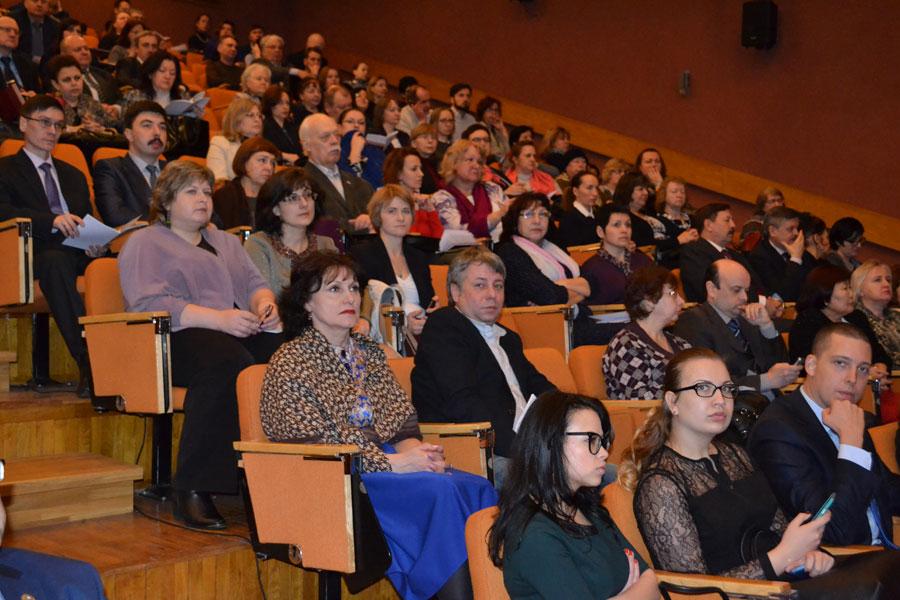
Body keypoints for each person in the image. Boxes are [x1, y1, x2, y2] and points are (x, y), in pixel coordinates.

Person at [259, 251, 497, 600]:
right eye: (334, 289)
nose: (350, 298)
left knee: (476, 488)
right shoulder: (289, 360)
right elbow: (313, 446)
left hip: (385, 463)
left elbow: (400, 423)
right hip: (335, 477)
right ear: (306, 302)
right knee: (441, 493)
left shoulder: (368, 351)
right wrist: (397, 464)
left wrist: (420, 457)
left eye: (354, 288)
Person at [625, 348, 877, 597]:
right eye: (704, 388)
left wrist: (808, 555)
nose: (720, 400)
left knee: (879, 577)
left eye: (727, 389)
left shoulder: (736, 455)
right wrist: (781, 557)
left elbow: (778, 531)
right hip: (754, 593)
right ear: (672, 402)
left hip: (784, 585)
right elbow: (694, 591)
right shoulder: (661, 484)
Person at [118, 160, 283, 529]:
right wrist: (219, 319)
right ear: (166, 200)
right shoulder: (144, 242)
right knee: (226, 363)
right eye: (191, 191)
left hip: (227, 332)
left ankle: (274, 477)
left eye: (207, 192)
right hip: (167, 338)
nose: (203, 198)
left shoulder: (226, 242)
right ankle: (193, 487)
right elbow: (147, 304)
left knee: (286, 355)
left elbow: (255, 284)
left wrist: (264, 306)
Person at [489, 391, 659, 599]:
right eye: (591, 440)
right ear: (551, 442)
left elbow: (650, 581)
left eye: (602, 441)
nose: (604, 453)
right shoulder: (533, 535)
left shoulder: (588, 509)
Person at [412, 246, 555, 488]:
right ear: (456, 292)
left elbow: (540, 386)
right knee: (554, 479)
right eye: (480, 285)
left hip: (525, 447)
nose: (492, 295)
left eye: (498, 286)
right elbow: (463, 403)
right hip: (476, 452)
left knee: (608, 474)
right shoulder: (444, 327)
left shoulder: (508, 338)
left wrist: (571, 416)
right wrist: (526, 451)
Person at [749, 323, 900, 547]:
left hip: (881, 554)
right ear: (811, 365)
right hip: (839, 560)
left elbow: (886, 490)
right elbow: (833, 531)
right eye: (841, 363)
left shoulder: (848, 415)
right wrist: (851, 445)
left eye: (862, 369)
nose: (852, 378)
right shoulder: (778, 430)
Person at [0, 95, 101, 395]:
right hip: (29, 250)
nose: (52, 131)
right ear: (23, 124)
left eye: (58, 125)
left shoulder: (73, 175)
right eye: (45, 122)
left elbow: (85, 219)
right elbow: (2, 211)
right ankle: (90, 362)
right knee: (54, 262)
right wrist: (51, 221)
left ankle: (134, 356)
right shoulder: (5, 169)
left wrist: (96, 244)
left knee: (118, 262)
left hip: (76, 251)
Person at [495, 193, 614, 347]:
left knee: (633, 328)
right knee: (628, 331)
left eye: (543, 214)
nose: (537, 221)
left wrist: (558, 287)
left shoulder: (552, 248)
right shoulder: (510, 252)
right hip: (545, 330)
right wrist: (579, 291)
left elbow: (593, 284)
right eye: (528, 214)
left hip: (575, 320)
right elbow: (551, 297)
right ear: (515, 220)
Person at [673, 259, 799, 396]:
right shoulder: (693, 322)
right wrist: (766, 381)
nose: (744, 297)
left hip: (770, 400)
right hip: (733, 404)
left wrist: (766, 326)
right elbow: (708, 383)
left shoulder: (748, 318)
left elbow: (780, 366)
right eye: (736, 290)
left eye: (746, 290)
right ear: (712, 289)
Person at [349, 185, 436, 338]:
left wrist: (433, 309)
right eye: (392, 211)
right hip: (387, 336)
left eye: (406, 211)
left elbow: (429, 301)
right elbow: (366, 305)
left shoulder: (419, 257)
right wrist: (405, 324)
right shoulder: (363, 255)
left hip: (424, 334)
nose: (401, 218)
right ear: (378, 216)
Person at [603, 266, 691, 399]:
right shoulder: (627, 344)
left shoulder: (681, 344)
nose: (682, 301)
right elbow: (639, 399)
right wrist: (689, 396)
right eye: (673, 294)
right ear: (648, 302)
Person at [245, 167, 336, 294]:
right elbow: (260, 295)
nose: (304, 204)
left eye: (308, 195)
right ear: (276, 209)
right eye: (293, 198)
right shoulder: (259, 244)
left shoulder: (326, 245)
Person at [94, 100, 167, 226]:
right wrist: (169, 226)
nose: (157, 132)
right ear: (129, 134)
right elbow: (115, 216)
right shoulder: (110, 169)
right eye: (147, 125)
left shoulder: (176, 171)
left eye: (162, 127)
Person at [300, 113, 374, 233]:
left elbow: (378, 219)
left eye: (337, 135)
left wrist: (371, 220)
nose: (334, 141)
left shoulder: (361, 185)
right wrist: (355, 226)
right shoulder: (301, 184)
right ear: (307, 145)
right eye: (325, 137)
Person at [678, 202, 765, 303]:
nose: (733, 225)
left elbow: (757, 284)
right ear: (709, 225)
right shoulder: (694, 252)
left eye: (732, 220)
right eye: (727, 220)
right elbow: (711, 292)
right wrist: (762, 301)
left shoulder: (735, 254)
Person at [431, 139, 510, 242]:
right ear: (454, 163)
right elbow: (458, 233)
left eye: (479, 162)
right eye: (470, 160)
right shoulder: (442, 198)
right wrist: (498, 215)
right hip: (468, 251)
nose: (476, 166)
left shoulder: (492, 189)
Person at [581, 204, 652, 305]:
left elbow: (665, 289)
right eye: (616, 225)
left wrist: (672, 295)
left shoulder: (643, 260)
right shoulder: (592, 268)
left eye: (628, 225)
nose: (624, 230)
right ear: (600, 232)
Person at [788, 265, 856, 363]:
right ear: (825, 296)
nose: (851, 294)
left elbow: (875, 354)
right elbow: (809, 363)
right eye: (845, 288)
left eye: (850, 287)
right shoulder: (808, 323)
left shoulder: (857, 317)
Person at [748, 206, 816, 301]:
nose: (796, 233)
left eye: (797, 228)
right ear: (773, 231)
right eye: (790, 229)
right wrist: (795, 259)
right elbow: (781, 295)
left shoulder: (801, 252)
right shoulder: (759, 257)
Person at [212, 136, 279, 230]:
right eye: (262, 160)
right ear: (244, 162)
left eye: (272, 162)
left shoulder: (275, 197)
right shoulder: (224, 196)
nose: (269, 167)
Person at [846, 260, 900, 370]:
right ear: (860, 289)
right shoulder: (853, 320)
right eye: (877, 280)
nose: (886, 284)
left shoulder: (896, 315)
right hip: (879, 377)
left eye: (888, 280)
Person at [46, 54, 118, 133]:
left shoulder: (90, 102)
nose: (74, 83)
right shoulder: (50, 105)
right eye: (67, 80)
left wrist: (100, 129)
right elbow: (46, 129)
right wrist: (78, 129)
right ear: (55, 84)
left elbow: (115, 127)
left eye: (77, 78)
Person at [383, 147, 443, 239]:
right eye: (414, 169)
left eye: (420, 168)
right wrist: (414, 209)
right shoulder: (389, 203)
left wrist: (431, 210)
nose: (421, 174)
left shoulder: (422, 202)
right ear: (398, 174)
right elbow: (410, 239)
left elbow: (439, 239)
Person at [206, 97, 263, 181]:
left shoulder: (263, 148)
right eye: (251, 115)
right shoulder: (220, 143)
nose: (257, 119)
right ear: (236, 118)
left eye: (259, 116)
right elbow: (219, 181)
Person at [121, 49, 192, 114]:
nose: (168, 76)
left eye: (172, 73)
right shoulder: (135, 97)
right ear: (150, 74)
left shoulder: (183, 97)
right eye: (162, 71)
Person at [59, 33, 120, 106]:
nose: (84, 52)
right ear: (64, 55)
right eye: (78, 50)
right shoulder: (62, 79)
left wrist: (116, 108)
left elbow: (119, 98)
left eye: (86, 49)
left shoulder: (105, 75)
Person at [653, 176, 697, 269]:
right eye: (674, 191)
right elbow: (658, 246)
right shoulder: (657, 221)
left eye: (682, 192)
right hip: (670, 267)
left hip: (694, 264)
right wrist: (679, 240)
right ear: (664, 195)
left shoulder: (692, 219)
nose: (679, 195)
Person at [338, 106, 384, 189]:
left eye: (361, 123)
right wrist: (355, 153)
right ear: (339, 128)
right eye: (350, 122)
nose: (356, 125)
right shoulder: (336, 152)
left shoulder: (375, 151)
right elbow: (349, 184)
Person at [555, 170, 601, 247]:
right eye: (589, 188)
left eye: (596, 188)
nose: (595, 193)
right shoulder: (569, 218)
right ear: (575, 191)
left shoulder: (599, 214)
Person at [260, 85, 300, 164]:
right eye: (281, 103)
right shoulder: (265, 126)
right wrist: (284, 155)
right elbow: (266, 150)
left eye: (287, 103)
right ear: (271, 104)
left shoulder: (290, 124)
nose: (285, 107)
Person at [0, 15, 39, 94]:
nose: (13, 35)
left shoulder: (28, 64)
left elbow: (38, 93)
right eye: (7, 30)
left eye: (16, 32)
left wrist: (34, 97)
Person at [13, 0, 60, 65]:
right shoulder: (14, 21)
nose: (39, 5)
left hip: (47, 65)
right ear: (25, 3)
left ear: (48, 6)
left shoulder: (55, 25)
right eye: (35, 1)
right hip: (19, 63)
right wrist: (32, 59)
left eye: (43, 2)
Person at [738, 187, 784, 251]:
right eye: (772, 201)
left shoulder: (785, 223)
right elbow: (751, 250)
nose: (777, 204)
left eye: (779, 201)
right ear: (762, 205)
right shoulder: (753, 224)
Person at [475, 96, 509, 163]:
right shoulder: (479, 128)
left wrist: (502, 130)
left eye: (496, 110)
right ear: (482, 112)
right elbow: (492, 153)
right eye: (490, 110)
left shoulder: (496, 130)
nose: (494, 113)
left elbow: (508, 153)